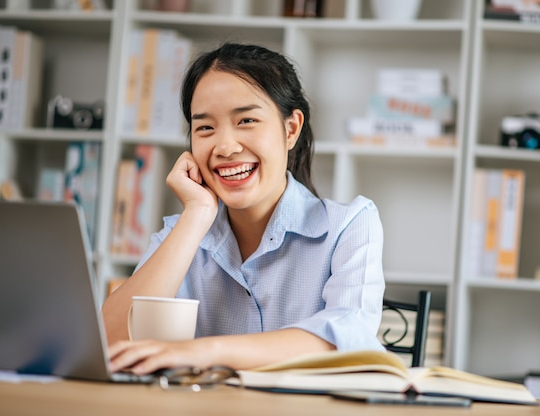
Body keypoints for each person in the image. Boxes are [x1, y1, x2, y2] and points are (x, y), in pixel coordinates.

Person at [102, 42, 385, 375]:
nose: (225, 147)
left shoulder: (348, 225)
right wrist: (196, 215)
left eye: (246, 120)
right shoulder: (182, 234)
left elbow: (347, 338)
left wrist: (202, 352)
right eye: (205, 127)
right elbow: (110, 342)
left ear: (290, 128)